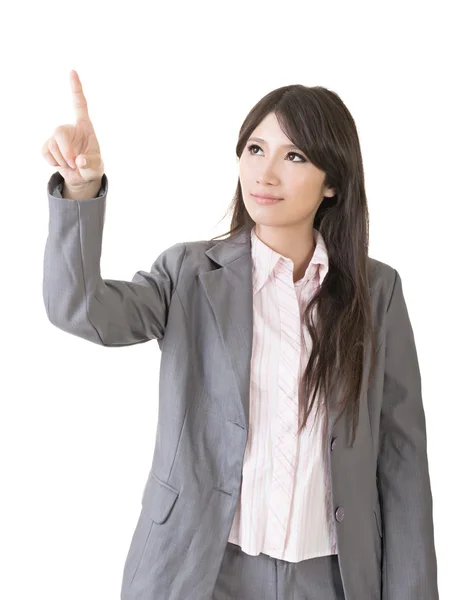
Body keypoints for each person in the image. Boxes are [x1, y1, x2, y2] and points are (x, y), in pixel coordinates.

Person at [41, 70, 439, 600]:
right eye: (255, 148)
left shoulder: (377, 291)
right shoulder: (188, 274)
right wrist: (81, 190)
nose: (265, 173)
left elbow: (402, 456)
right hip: (203, 569)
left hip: (333, 578)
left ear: (333, 181)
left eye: (293, 156)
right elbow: (80, 309)